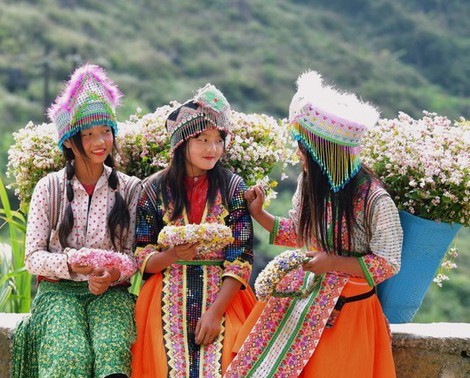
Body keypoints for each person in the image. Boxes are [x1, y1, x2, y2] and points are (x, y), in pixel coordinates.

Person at [225, 71, 403, 378]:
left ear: (325, 154)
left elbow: (388, 264)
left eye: (304, 148)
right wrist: (260, 214)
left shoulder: (375, 200)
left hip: (349, 308)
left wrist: (332, 261)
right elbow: (298, 231)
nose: (299, 155)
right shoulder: (312, 184)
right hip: (306, 291)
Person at [11, 64, 142, 378]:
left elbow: (136, 255)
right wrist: (71, 264)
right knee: (70, 355)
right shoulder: (50, 188)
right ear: (69, 141)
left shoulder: (130, 189)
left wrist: (111, 273)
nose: (100, 142)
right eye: (89, 134)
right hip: (59, 293)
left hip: (111, 293)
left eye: (106, 131)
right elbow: (33, 258)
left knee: (112, 350)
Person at [131, 84, 257, 377]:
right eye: (202, 139)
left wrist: (214, 313)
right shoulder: (153, 189)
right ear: (181, 143)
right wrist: (173, 254)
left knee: (228, 363)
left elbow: (241, 256)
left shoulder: (233, 188)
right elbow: (142, 253)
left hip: (224, 295)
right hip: (165, 293)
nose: (212, 149)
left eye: (217, 140)